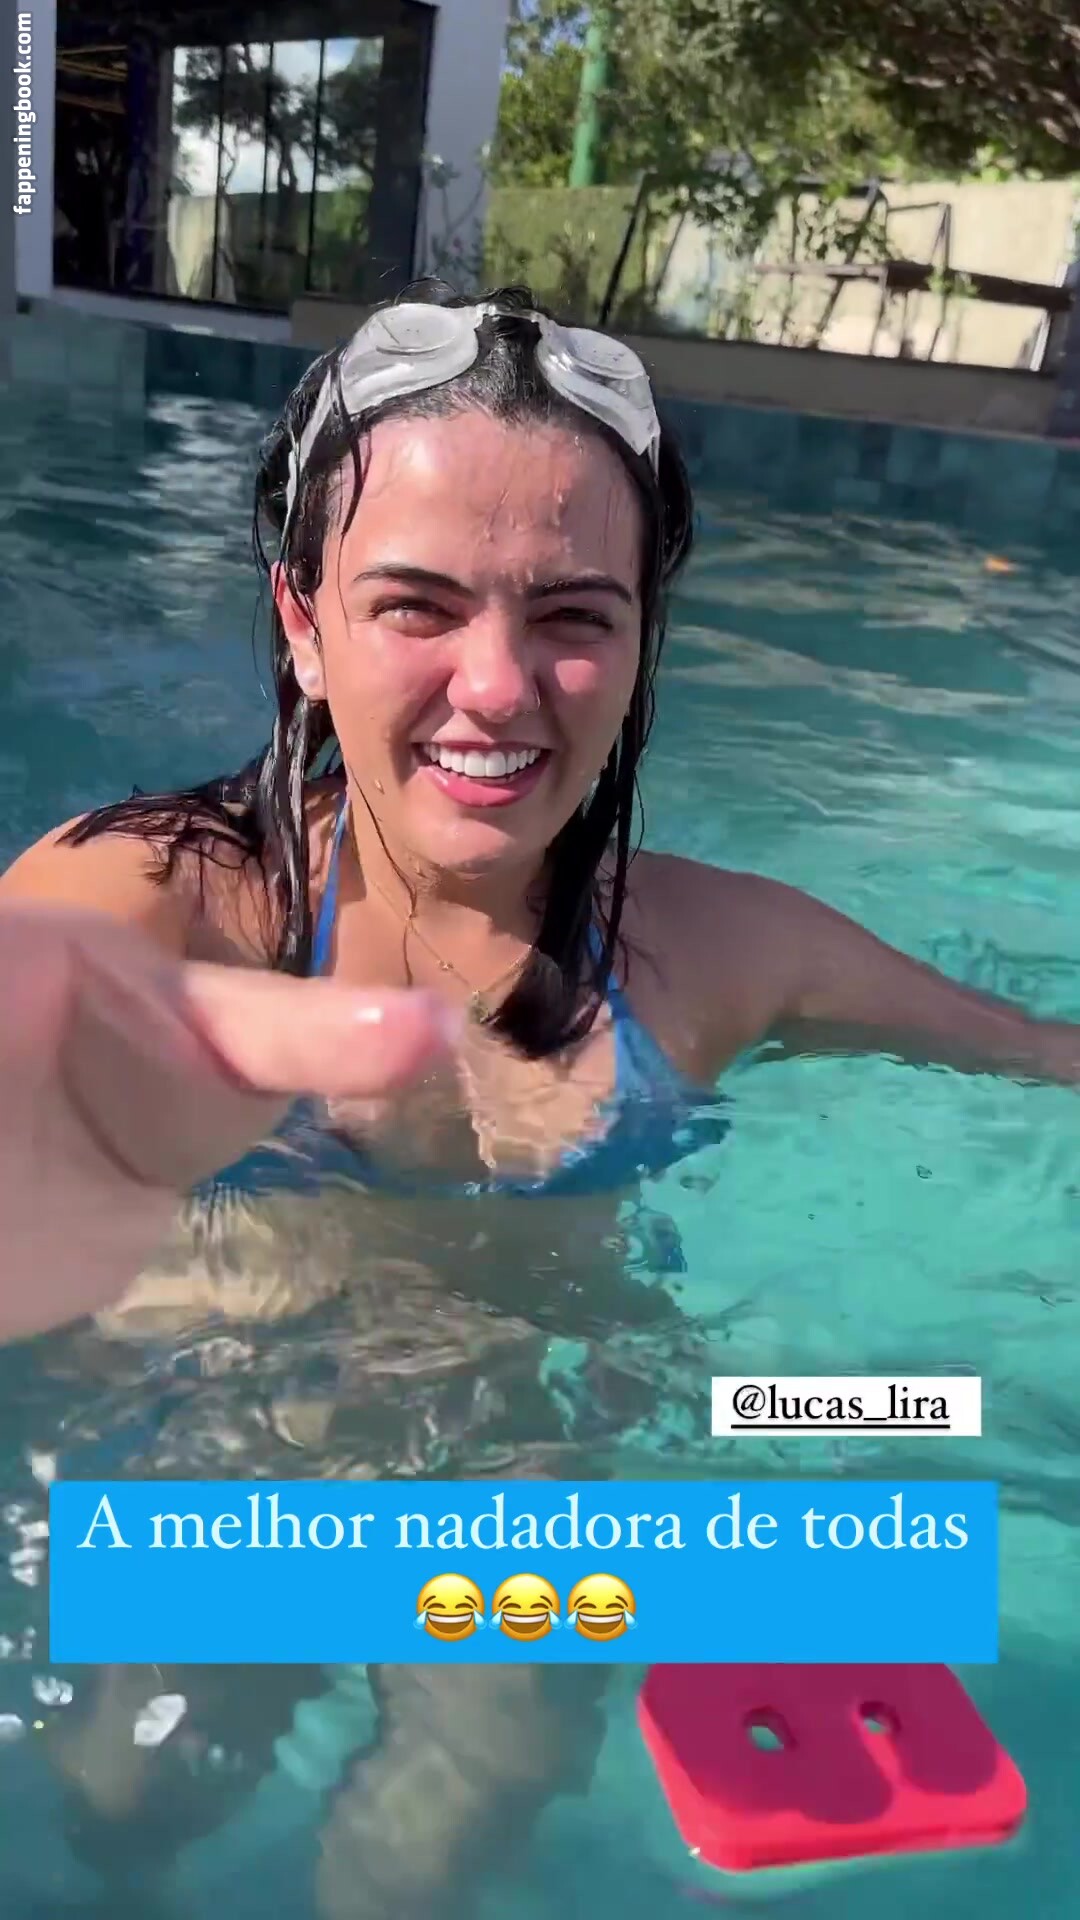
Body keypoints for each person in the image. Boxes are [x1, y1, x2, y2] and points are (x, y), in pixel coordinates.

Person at [3, 282, 1079, 1915]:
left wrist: (885, 1414)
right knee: (127, 1791)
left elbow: (1049, 1058)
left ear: (643, 642)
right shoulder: (164, 899)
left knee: (469, 1807)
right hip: (208, 1458)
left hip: (538, 1470)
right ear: (301, 622)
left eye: (575, 615)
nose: (500, 687)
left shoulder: (719, 955)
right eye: (415, 606)